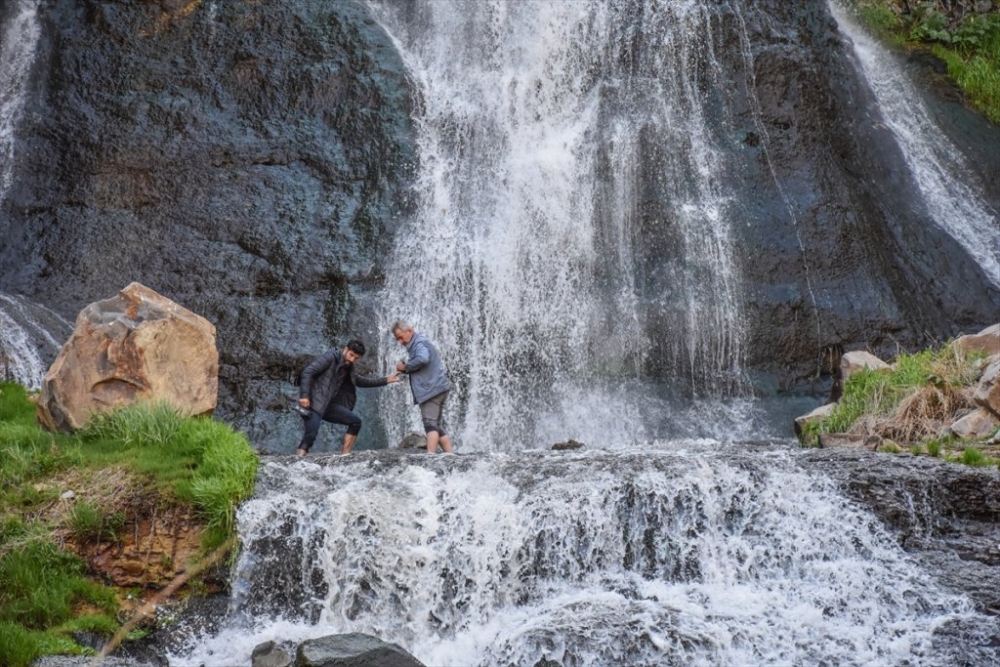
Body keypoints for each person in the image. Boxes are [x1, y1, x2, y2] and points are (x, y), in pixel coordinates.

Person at [296, 339, 399, 457]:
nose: (352, 359)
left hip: (328, 405)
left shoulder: (348, 366)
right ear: (345, 349)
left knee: (355, 422)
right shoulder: (330, 357)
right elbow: (308, 372)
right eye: (351, 355)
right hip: (314, 403)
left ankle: (344, 457)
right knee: (310, 435)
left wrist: (386, 380)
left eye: (356, 358)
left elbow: (359, 381)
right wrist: (304, 396)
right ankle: (299, 460)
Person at [392, 320, 454, 454]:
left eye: (401, 337)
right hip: (439, 388)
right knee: (437, 426)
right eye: (398, 339)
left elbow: (423, 358)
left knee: (430, 424)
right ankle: (451, 456)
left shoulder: (419, 343)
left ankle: (430, 457)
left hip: (431, 390)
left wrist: (406, 367)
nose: (400, 342)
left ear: (409, 331)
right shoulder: (419, 342)